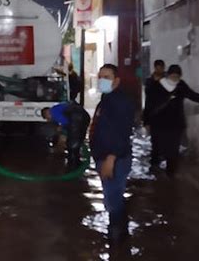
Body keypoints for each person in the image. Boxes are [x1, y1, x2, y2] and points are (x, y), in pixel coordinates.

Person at [143, 64, 199, 177]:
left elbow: (192, 95)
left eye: (177, 76)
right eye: (173, 76)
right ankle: (154, 166)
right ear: (168, 75)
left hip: (176, 123)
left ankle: (170, 172)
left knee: (173, 148)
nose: (175, 79)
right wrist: (146, 121)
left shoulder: (181, 85)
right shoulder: (156, 86)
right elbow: (148, 105)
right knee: (157, 145)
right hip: (158, 123)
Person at [90, 64, 135, 240]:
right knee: (113, 197)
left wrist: (111, 158)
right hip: (105, 156)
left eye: (107, 77)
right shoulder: (107, 99)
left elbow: (122, 132)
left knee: (112, 199)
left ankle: (117, 238)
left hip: (114, 159)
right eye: (100, 76)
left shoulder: (120, 101)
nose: (102, 80)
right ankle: (121, 231)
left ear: (116, 81)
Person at [42, 100, 90, 168]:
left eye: (47, 118)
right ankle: (77, 163)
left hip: (77, 118)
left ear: (47, 113)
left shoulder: (53, 111)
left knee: (72, 144)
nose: (49, 120)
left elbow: (66, 123)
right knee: (77, 141)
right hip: (84, 117)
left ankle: (73, 166)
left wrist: (61, 128)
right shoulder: (59, 107)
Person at [143, 59, 166, 169]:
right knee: (155, 140)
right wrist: (146, 120)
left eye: (161, 67)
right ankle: (155, 162)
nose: (160, 69)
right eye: (158, 67)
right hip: (154, 115)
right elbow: (148, 101)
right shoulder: (149, 81)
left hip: (166, 115)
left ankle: (160, 159)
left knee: (164, 139)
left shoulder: (167, 81)